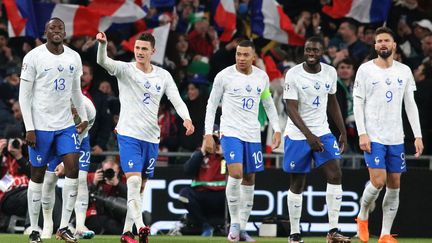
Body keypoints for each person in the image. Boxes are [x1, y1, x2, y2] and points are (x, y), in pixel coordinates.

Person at [96, 31, 195, 243]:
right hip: (128, 133)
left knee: (140, 188)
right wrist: (102, 45)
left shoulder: (163, 75)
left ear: (153, 51)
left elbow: (176, 100)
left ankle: (126, 232)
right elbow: (102, 61)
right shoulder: (125, 69)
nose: (139, 52)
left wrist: (186, 119)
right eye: (137, 48)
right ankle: (141, 227)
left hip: (151, 138)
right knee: (133, 182)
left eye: (144, 49)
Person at [203, 39, 281, 242]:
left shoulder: (261, 77)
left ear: (253, 57)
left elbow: (268, 103)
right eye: (238, 54)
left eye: (246, 55)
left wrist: (278, 129)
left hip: (253, 134)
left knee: (249, 178)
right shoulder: (224, 76)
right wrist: (208, 133)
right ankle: (235, 224)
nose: (241, 58)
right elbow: (211, 105)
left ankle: (243, 228)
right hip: (230, 132)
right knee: (235, 173)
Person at [19, 17, 88, 243]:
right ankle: (35, 229)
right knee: (37, 176)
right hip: (40, 127)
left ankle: (64, 226)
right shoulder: (33, 57)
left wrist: (83, 116)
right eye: (52, 28)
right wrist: (29, 128)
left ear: (64, 32)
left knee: (73, 170)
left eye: (60, 27)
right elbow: (24, 96)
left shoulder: (74, 57)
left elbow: (76, 90)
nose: (57, 31)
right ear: (45, 32)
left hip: (65, 125)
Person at [354, 27, 424, 243]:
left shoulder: (404, 71)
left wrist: (417, 135)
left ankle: (385, 233)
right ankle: (363, 215)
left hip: (396, 137)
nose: (383, 44)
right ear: (375, 46)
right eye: (379, 41)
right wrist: (362, 133)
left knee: (394, 184)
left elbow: (410, 105)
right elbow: (358, 102)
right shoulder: (365, 70)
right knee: (378, 182)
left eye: (386, 40)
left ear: (394, 45)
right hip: (374, 136)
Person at [282, 36, 350, 243]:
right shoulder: (293, 74)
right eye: (308, 50)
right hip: (297, 134)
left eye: (315, 51)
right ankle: (294, 234)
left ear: (323, 52)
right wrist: (309, 136)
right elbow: (290, 108)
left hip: (322, 131)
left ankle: (333, 232)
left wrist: (343, 130)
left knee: (335, 174)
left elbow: (332, 102)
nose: (311, 54)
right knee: (298, 183)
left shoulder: (330, 72)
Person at [40, 95, 96, 240]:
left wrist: (65, 163)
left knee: (81, 179)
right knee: (50, 179)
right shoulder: (53, 101)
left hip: (80, 138)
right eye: (70, 110)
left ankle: (80, 226)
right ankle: (48, 223)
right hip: (56, 135)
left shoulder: (89, 110)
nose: (73, 114)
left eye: (75, 111)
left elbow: (80, 136)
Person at [178, 126, 226, 237]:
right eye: (210, 138)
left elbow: (235, 173)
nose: (213, 141)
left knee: (237, 194)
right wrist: (203, 151)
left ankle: (232, 228)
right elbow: (187, 171)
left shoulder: (226, 154)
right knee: (184, 194)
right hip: (200, 194)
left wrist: (225, 154)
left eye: (215, 138)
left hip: (221, 195)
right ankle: (205, 226)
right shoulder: (198, 153)